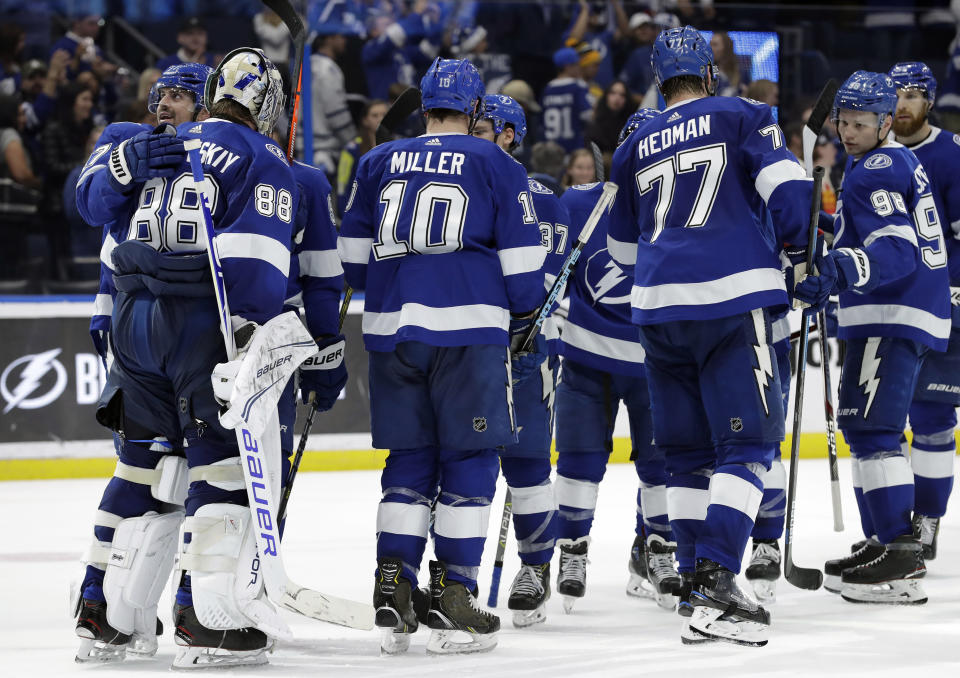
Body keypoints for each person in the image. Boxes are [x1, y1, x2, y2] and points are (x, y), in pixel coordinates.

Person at [74, 49, 297, 669]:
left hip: (132, 320)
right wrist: (251, 342)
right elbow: (255, 266)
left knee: (143, 470)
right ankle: (207, 622)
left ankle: (105, 613)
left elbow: (98, 215)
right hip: (198, 324)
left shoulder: (162, 142)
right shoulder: (261, 158)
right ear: (268, 107)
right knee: (219, 470)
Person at [607, 26, 815, 646]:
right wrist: (800, 254)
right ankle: (721, 578)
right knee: (748, 445)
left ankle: (698, 584)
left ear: (657, 77)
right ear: (710, 71)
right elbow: (792, 188)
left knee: (688, 455)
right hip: (729, 295)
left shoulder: (635, 141)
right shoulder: (745, 113)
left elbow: (621, 249)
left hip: (655, 307)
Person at [338, 57, 546, 655]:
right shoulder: (494, 162)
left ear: (423, 104)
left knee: (408, 464)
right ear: (476, 109)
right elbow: (525, 271)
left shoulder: (378, 161)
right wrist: (523, 312)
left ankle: (394, 584)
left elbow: (352, 260)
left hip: (392, 335)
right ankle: (455, 592)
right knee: (470, 461)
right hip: (468, 333)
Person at [795, 70, 950, 606]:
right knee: (865, 430)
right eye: (844, 121)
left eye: (861, 123)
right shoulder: (888, 161)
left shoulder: (877, 166)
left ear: (886, 122)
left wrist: (838, 269)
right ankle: (884, 541)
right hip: (897, 311)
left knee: (876, 431)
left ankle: (900, 559)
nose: (850, 132)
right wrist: (828, 241)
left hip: (892, 312)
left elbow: (896, 249)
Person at [554, 108, 680, 613]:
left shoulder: (680, 208)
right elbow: (549, 263)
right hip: (587, 358)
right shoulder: (580, 201)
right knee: (581, 459)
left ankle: (658, 551)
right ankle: (572, 550)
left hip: (657, 362)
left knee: (662, 464)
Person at [471, 93, 570, 628]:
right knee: (466, 465)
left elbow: (543, 279)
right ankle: (456, 574)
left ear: (510, 134)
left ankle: (536, 566)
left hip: (527, 346)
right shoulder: (467, 182)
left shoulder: (539, 197)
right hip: (472, 344)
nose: (474, 132)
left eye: (483, 127)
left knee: (528, 465)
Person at [77, 62, 213, 360]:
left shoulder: (223, 152)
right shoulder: (124, 137)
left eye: (177, 95)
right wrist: (121, 167)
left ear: (205, 108)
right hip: (124, 305)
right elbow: (88, 205)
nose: (163, 103)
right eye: (162, 94)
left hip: (202, 312)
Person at [888, 61, 958, 562]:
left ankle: (928, 517)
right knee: (889, 420)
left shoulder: (951, 155)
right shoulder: (875, 154)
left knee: (932, 416)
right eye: (896, 94)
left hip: (941, 307)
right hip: (890, 305)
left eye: (913, 95)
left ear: (929, 101)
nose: (903, 104)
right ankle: (895, 524)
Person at [310, 23, 357, 175]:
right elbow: (336, 114)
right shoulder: (329, 69)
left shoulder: (306, 63)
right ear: (329, 39)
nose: (344, 40)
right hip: (325, 152)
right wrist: (353, 140)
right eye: (340, 36)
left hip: (304, 146)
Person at [337, 99, 388, 214]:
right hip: (359, 213)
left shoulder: (399, 146)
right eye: (375, 115)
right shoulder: (351, 150)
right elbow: (342, 185)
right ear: (365, 120)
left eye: (384, 115)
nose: (380, 119)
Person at [541, 47, 595, 153]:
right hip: (574, 147)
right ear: (568, 67)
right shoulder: (578, 87)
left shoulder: (548, 89)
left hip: (551, 148)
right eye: (577, 64)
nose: (579, 67)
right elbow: (589, 115)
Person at [586, 79, 634, 154]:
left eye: (622, 95)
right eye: (613, 93)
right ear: (606, 96)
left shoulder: (631, 124)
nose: (617, 98)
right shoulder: (595, 124)